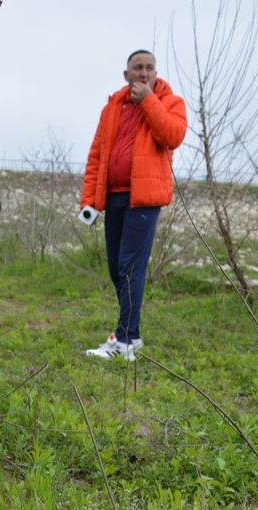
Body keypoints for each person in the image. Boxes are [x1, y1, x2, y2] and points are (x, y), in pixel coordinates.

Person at [80, 50, 187, 361]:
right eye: (137, 68)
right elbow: (97, 153)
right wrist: (89, 199)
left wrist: (148, 101)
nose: (143, 73)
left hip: (144, 197)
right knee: (117, 267)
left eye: (149, 68)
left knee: (130, 266)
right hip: (113, 195)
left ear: (156, 73)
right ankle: (132, 334)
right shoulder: (112, 107)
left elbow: (172, 135)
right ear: (126, 75)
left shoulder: (169, 102)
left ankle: (125, 340)